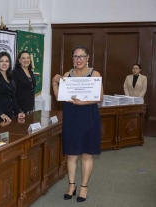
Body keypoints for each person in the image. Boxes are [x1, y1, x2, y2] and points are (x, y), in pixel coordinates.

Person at [52, 45, 104, 202]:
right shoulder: (67, 75)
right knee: (72, 154)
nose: (78, 60)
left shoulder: (94, 74)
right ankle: (71, 185)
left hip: (89, 116)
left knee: (87, 154)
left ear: (87, 58)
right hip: (72, 117)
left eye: (81, 56)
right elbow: (60, 97)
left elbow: (100, 97)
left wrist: (83, 103)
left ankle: (84, 187)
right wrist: (55, 84)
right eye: (75, 57)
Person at [0, 51, 25, 125]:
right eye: (1, 61)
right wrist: (1, 114)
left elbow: (13, 97)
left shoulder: (10, 76)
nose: (4, 63)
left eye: (7, 61)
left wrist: (18, 112)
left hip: (9, 115)